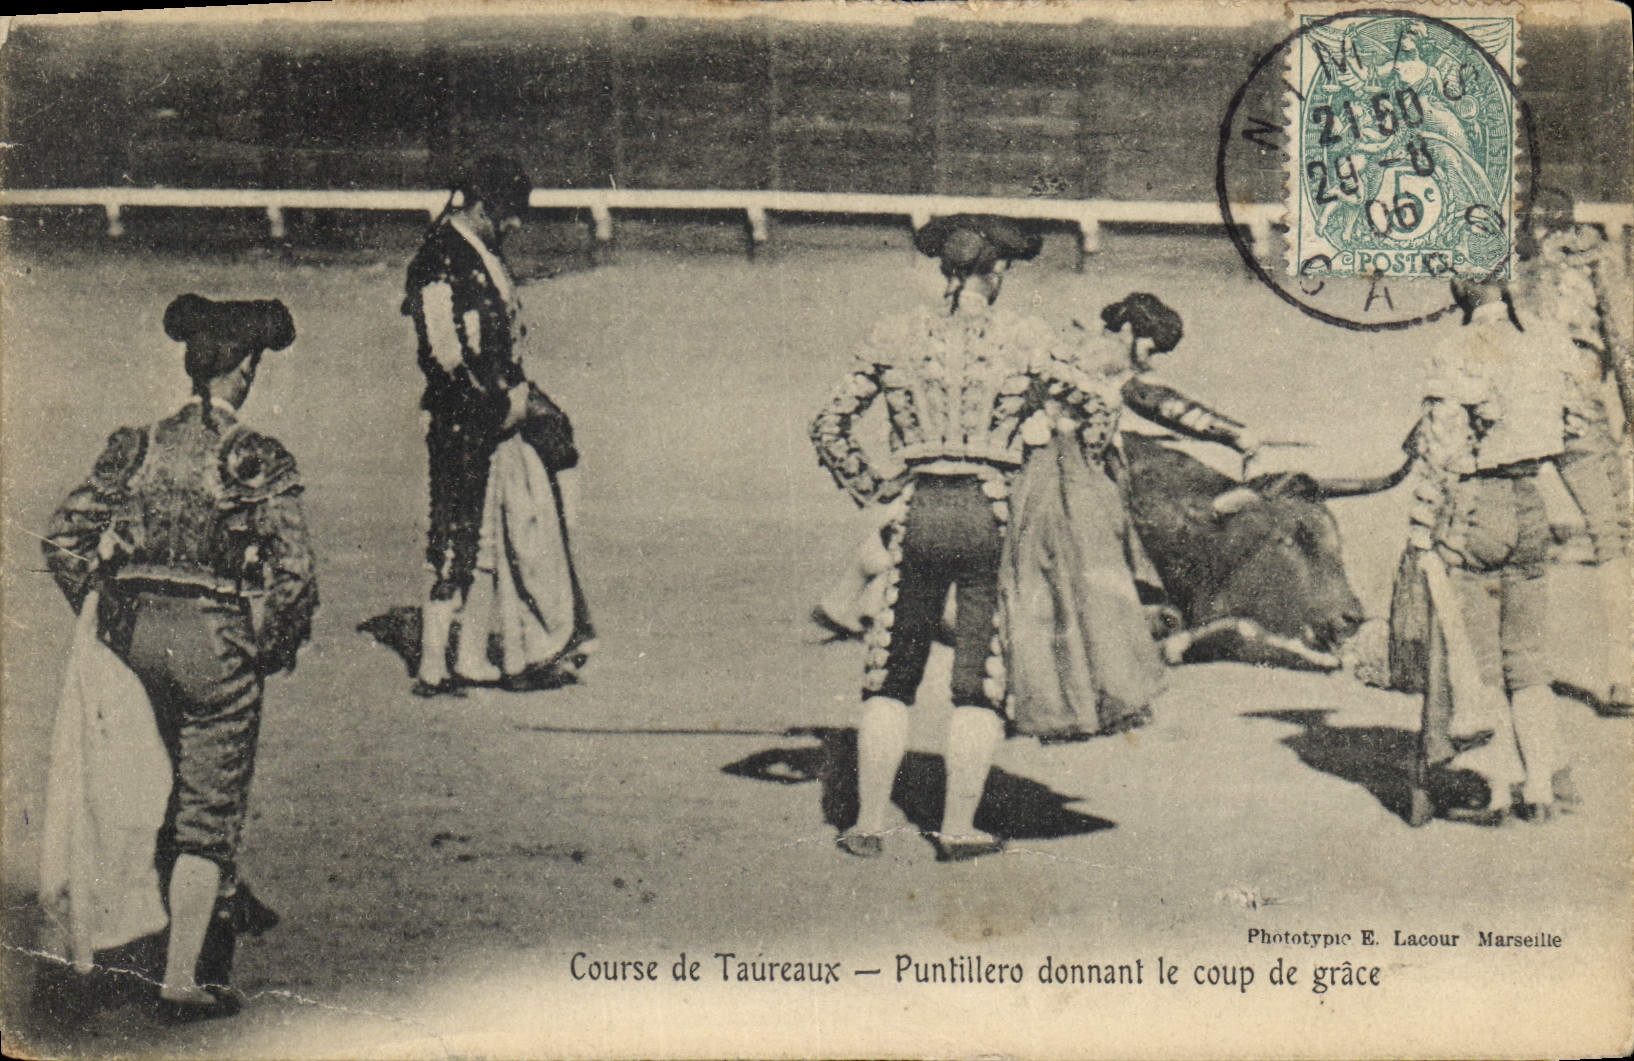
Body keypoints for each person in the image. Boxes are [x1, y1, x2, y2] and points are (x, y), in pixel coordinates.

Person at [810, 215, 1156, 861]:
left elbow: (829, 423)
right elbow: (1098, 408)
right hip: (990, 513)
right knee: (978, 680)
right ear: (996, 272)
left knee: (890, 673)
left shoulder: (895, 332)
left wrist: (874, 483)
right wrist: (1067, 472)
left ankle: (867, 823)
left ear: (945, 267)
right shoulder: (1024, 336)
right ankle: (959, 828)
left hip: (915, 510)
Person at [43, 294, 317, 1020]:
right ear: (247, 371)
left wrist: (103, 616)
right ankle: (180, 978)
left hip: (134, 642)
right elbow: (295, 578)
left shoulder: (136, 445)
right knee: (207, 806)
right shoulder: (256, 457)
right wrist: (268, 646)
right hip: (217, 644)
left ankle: (111, 944)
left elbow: (64, 539)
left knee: (137, 791)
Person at [402, 155, 594, 694]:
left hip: (490, 408)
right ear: (483, 206)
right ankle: (434, 668)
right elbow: (443, 355)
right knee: (459, 535)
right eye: (509, 214)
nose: (516, 225)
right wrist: (502, 408)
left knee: (488, 534)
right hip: (463, 416)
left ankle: (477, 658)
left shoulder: (473, 251)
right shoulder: (442, 257)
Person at [1404, 278, 1578, 825]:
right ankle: (1543, 789)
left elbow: (1443, 449)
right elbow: (1570, 423)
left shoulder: (1456, 348)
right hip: (1532, 504)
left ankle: (1498, 791)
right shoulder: (1543, 340)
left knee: (1477, 664)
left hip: (1477, 508)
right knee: (1527, 662)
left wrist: (1419, 531)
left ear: (1461, 291)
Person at [1515, 187, 1632, 713]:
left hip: (1510, 411)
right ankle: (1622, 675)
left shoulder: (1507, 262)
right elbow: (1623, 344)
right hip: (1575, 409)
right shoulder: (1594, 261)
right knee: (1613, 535)